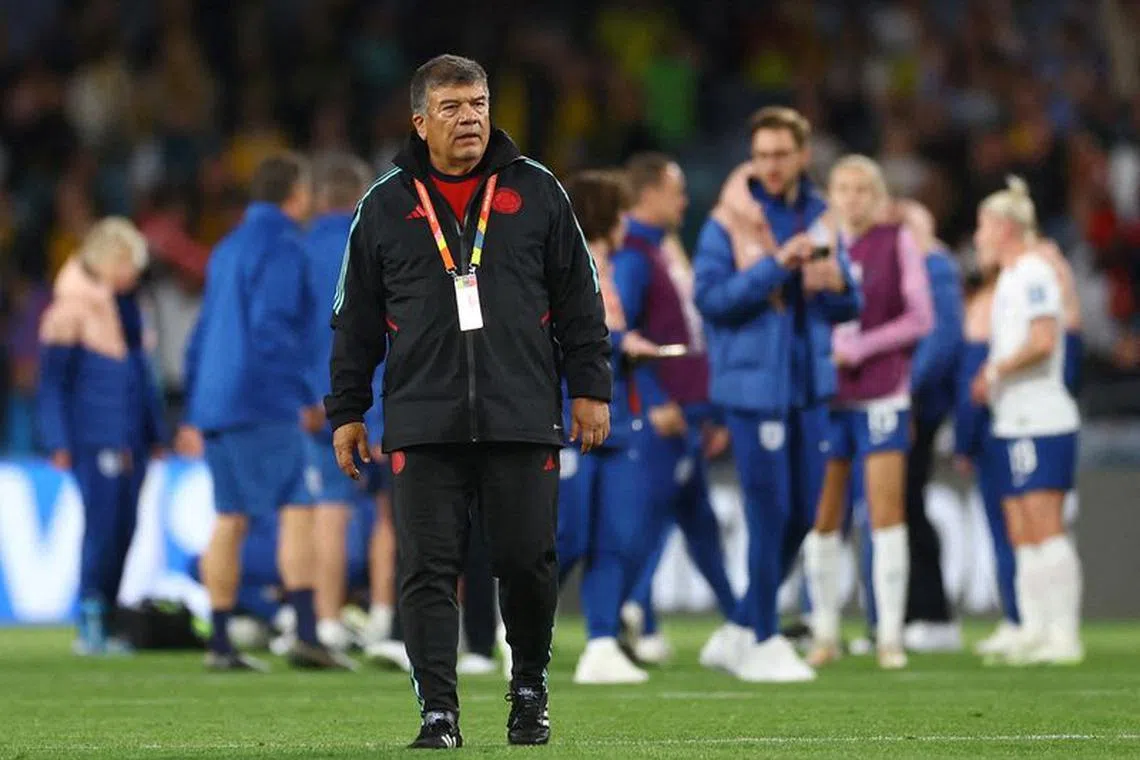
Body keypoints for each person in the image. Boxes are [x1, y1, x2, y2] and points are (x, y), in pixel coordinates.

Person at [325, 55, 611, 749]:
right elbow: (353, 318)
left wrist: (592, 388)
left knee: (528, 563)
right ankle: (439, 714)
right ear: (420, 122)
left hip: (522, 413)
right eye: (452, 107)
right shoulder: (385, 204)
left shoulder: (538, 190)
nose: (471, 118)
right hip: (424, 418)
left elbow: (582, 299)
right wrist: (348, 411)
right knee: (427, 571)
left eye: (479, 103)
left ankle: (530, 688)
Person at [693, 107, 861, 682]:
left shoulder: (819, 215)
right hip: (752, 386)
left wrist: (840, 285)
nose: (769, 164)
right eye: (761, 154)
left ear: (802, 156)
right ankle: (763, 637)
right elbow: (710, 299)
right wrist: (773, 268)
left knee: (804, 513)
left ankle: (741, 627)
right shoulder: (728, 222)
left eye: (780, 154)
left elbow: (847, 304)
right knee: (769, 513)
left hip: (808, 385)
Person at [182, 153, 351, 672]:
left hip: (216, 401)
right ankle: (306, 631)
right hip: (263, 400)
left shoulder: (228, 248)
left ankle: (221, 643)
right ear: (295, 195)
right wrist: (305, 395)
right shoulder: (283, 247)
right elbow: (272, 329)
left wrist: (195, 405)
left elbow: (203, 332)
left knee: (229, 517)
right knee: (300, 504)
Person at [803, 156, 933, 671]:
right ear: (831, 194)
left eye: (863, 189)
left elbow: (921, 318)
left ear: (877, 195)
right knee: (824, 517)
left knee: (886, 514)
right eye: (844, 188)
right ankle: (825, 633)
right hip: (828, 396)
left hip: (882, 393)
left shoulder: (896, 240)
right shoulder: (816, 245)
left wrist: (859, 348)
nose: (853, 198)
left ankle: (890, 637)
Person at [611, 153, 737, 666]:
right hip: (658, 417)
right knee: (640, 528)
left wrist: (709, 411)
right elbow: (621, 335)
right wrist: (656, 401)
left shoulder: (659, 249)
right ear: (648, 193)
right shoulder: (634, 255)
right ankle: (617, 623)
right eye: (676, 190)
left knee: (698, 523)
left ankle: (743, 621)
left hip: (688, 414)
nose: (685, 200)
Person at [37, 218, 166, 654]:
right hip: (95, 437)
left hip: (132, 437)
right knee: (103, 527)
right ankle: (90, 618)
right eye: (130, 263)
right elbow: (53, 383)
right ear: (109, 259)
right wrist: (57, 440)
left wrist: (155, 430)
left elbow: (140, 376)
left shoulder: (129, 306)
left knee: (125, 527)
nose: (135, 272)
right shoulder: (69, 310)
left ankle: (107, 615)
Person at [969, 177, 1083, 666]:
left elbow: (1043, 341)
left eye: (982, 226)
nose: (976, 237)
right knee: (1020, 528)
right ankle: (1034, 628)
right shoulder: (1011, 279)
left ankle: (1064, 634)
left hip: (1042, 415)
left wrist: (993, 369)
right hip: (1012, 418)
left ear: (1003, 228)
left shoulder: (1036, 272)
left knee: (1045, 527)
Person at [556, 169, 659, 684]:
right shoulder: (563, 263)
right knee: (568, 537)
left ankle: (601, 645)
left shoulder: (612, 268)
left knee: (611, 537)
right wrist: (624, 345)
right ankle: (520, 629)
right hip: (572, 414)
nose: (626, 224)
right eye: (619, 213)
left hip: (617, 415)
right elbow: (564, 335)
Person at [303, 153, 375, 653]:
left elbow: (283, 329)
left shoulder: (298, 248)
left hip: (309, 402)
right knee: (388, 512)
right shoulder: (371, 240)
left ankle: (316, 619)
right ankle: (378, 619)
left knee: (313, 512)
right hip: (372, 397)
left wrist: (304, 394)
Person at [891, 200, 965, 653]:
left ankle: (932, 613)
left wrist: (908, 392)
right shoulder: (922, 268)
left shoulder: (934, 265)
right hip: (913, 400)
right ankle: (912, 614)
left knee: (907, 504)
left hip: (920, 405)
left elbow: (941, 343)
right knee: (901, 506)